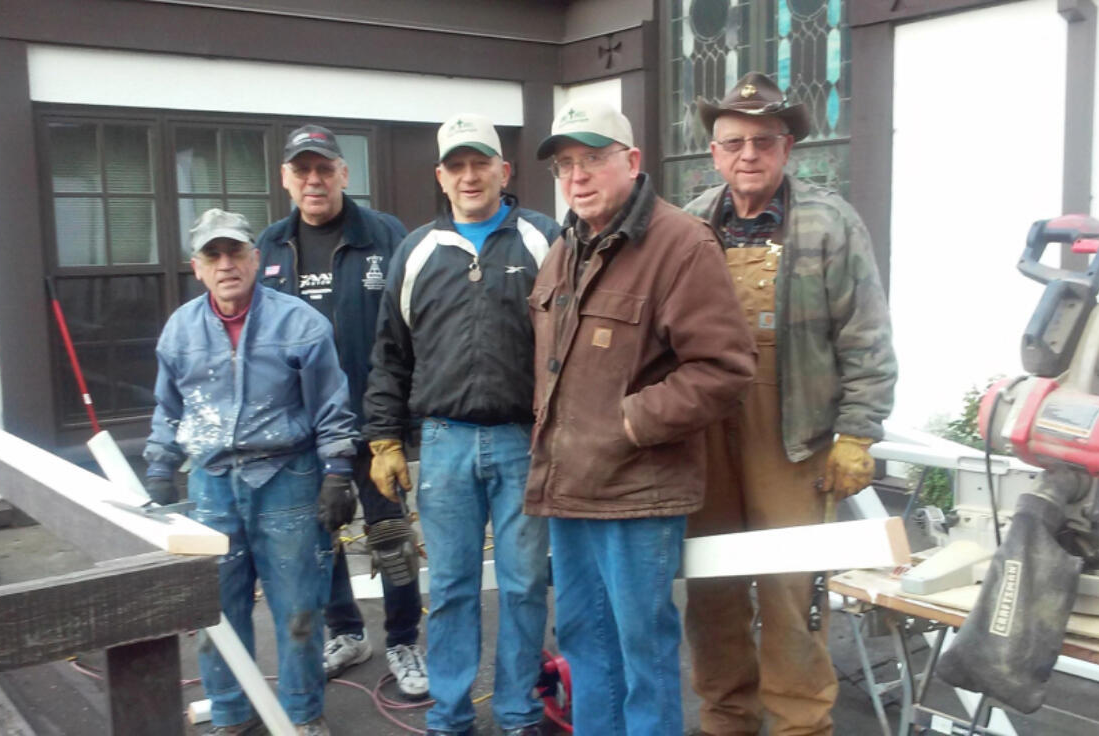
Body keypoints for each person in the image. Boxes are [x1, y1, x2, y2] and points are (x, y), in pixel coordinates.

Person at [527, 99, 756, 736]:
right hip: (570, 489)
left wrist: (629, 424)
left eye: (593, 159)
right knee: (583, 646)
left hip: (638, 492)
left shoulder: (681, 245)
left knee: (642, 651)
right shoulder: (563, 248)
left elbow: (724, 368)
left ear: (631, 161)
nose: (577, 176)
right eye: (566, 164)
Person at [682, 72, 898, 736]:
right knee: (709, 582)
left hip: (795, 433)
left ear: (787, 148)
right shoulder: (687, 225)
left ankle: (801, 724)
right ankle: (726, 719)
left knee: (790, 586)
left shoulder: (830, 223)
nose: (749, 153)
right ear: (714, 152)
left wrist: (858, 432)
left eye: (764, 140)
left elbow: (866, 335)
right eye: (734, 141)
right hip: (702, 432)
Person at [364, 113, 560, 736]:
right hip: (444, 443)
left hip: (522, 444)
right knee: (449, 587)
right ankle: (450, 717)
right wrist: (386, 439)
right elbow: (390, 352)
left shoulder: (544, 241)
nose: (470, 176)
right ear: (441, 178)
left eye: (482, 163)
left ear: (505, 171)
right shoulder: (416, 251)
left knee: (526, 584)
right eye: (457, 166)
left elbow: (574, 347)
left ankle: (519, 711)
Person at [144, 208, 358, 736]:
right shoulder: (179, 331)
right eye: (213, 255)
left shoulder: (301, 324)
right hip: (210, 487)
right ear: (197, 267)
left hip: (287, 482)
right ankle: (231, 713)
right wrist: (157, 471)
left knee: (299, 611)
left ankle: (303, 715)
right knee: (214, 613)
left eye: (235, 251)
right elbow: (169, 410)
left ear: (256, 259)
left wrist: (337, 472)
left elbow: (332, 405)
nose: (226, 264)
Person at [254, 124, 429, 695]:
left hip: (374, 423)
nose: (313, 180)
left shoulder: (384, 235)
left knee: (390, 537)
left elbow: (408, 331)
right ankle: (347, 631)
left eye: (324, 169)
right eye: (301, 171)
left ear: (343, 174)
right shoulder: (268, 248)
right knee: (319, 539)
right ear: (286, 179)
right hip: (300, 432)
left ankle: (404, 640)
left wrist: (402, 422)